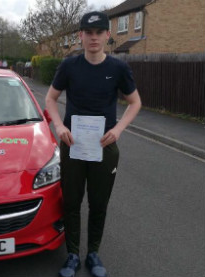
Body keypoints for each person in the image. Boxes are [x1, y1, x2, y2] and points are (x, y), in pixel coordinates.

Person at [45, 11, 141, 277]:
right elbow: (51, 99)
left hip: (104, 146)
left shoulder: (118, 68)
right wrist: (59, 126)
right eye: (89, 33)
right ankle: (73, 254)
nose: (94, 38)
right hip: (72, 143)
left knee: (99, 203)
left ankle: (94, 253)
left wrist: (119, 129)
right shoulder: (69, 66)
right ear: (81, 36)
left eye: (99, 32)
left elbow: (135, 103)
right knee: (72, 202)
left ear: (107, 36)